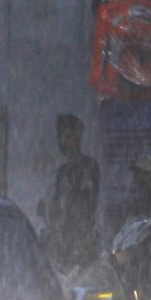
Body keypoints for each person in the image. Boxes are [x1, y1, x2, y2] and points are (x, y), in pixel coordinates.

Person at [43, 113, 101, 275]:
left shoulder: (87, 167)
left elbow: (84, 205)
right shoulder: (62, 171)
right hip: (63, 243)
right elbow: (59, 206)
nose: (64, 141)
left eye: (69, 136)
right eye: (62, 136)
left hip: (79, 242)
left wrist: (76, 237)